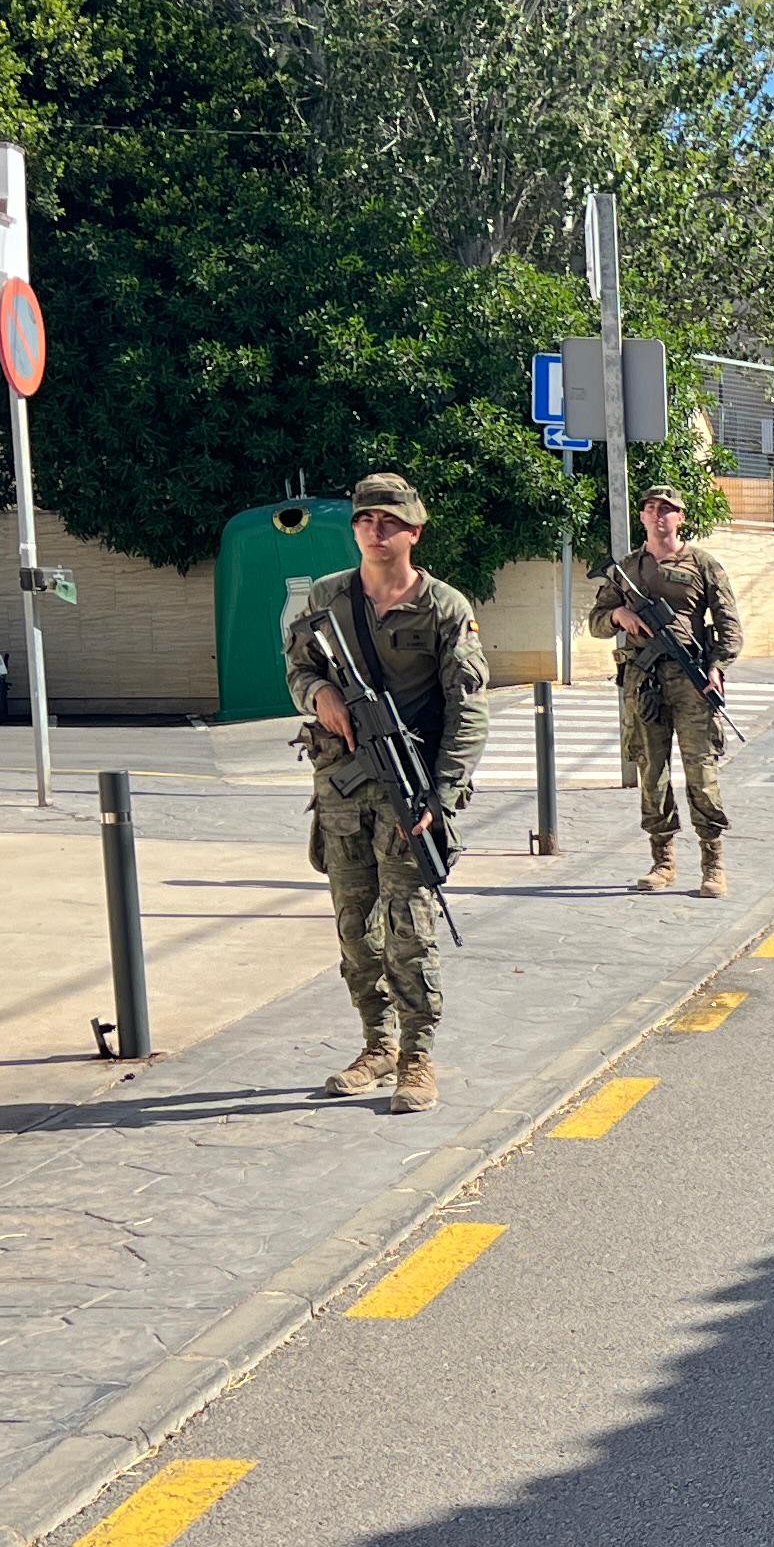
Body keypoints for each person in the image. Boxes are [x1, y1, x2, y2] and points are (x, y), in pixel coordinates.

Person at [293, 471, 489, 1113]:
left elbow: (469, 710)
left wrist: (444, 793)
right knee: (355, 928)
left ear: (415, 531)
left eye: (390, 522)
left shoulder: (445, 608)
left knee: (410, 929)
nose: (375, 532)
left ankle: (417, 1056)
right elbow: (298, 665)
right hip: (343, 790)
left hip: (412, 792)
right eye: (365, 521)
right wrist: (318, 695)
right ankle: (375, 1045)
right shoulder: (326, 599)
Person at [588, 483, 740, 895]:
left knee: (701, 772)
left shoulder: (703, 565)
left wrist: (717, 668)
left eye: (667, 510)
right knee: (651, 773)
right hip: (643, 682)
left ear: (681, 517)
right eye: (652, 508)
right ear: (642, 516)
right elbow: (596, 622)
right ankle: (663, 861)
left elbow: (729, 627)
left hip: (691, 684)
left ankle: (713, 864)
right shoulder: (626, 570)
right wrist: (620, 615)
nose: (659, 516)